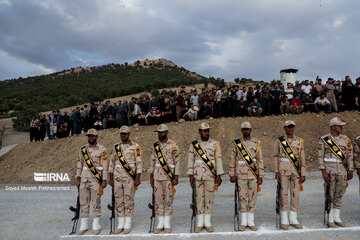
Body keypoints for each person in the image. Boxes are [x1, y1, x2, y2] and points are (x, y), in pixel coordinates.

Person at [187, 122, 224, 233]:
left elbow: (218, 159)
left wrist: (219, 175)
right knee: (198, 199)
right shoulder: (194, 145)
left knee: (209, 199)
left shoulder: (215, 144)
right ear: (199, 132)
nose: (206, 133)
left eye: (208, 130)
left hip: (210, 175)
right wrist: (190, 175)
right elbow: (190, 160)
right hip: (197, 175)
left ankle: (207, 222)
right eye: (204, 131)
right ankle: (199, 223)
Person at [318, 117, 353, 228]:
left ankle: (337, 217)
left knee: (339, 194)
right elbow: (320, 156)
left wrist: (350, 169)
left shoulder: (346, 139)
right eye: (339, 126)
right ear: (333, 127)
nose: (341, 127)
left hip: (342, 170)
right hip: (329, 170)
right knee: (329, 194)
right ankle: (330, 218)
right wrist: (323, 172)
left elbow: (349, 155)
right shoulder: (324, 139)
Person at [229, 122, 264, 231]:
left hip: (253, 175)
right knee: (242, 197)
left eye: (247, 129)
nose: (245, 131)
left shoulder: (256, 143)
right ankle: (244, 222)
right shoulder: (236, 143)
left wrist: (261, 174)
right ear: (241, 130)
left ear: (250, 130)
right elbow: (232, 159)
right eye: (244, 129)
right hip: (241, 175)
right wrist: (231, 173)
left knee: (253, 197)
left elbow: (260, 159)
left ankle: (251, 221)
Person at [108, 126, 142, 234]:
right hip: (117, 176)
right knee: (118, 199)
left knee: (128, 199)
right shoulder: (115, 147)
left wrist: (138, 178)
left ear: (129, 134)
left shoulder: (136, 147)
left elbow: (139, 164)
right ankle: (120, 223)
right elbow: (111, 163)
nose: (123, 135)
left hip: (129, 176)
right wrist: (110, 178)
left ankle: (127, 223)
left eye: (125, 133)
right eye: (122, 133)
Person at [274, 120, 306, 230]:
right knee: (283, 194)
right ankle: (284, 219)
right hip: (283, 170)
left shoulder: (300, 141)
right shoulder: (280, 141)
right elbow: (275, 156)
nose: (290, 129)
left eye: (292, 127)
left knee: (295, 195)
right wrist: (276, 171)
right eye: (288, 127)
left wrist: (303, 172)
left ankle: (293, 218)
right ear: (285, 128)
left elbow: (302, 158)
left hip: (296, 171)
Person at [149, 124, 181, 234]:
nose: (160, 134)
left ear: (167, 132)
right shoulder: (155, 146)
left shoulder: (173, 145)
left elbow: (177, 162)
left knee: (168, 199)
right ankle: (160, 222)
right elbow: (152, 161)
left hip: (169, 177)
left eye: (161, 132)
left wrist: (176, 177)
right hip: (157, 176)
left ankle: (167, 223)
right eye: (158, 132)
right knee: (158, 200)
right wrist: (151, 177)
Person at [76, 129, 108, 235]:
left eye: (92, 136)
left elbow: (105, 166)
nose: (91, 138)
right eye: (89, 136)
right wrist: (78, 179)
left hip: (96, 178)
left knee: (96, 201)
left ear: (96, 137)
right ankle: (84, 224)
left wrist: (104, 179)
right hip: (84, 178)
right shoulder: (82, 149)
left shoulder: (102, 149)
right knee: (83, 202)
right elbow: (79, 165)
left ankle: (96, 224)